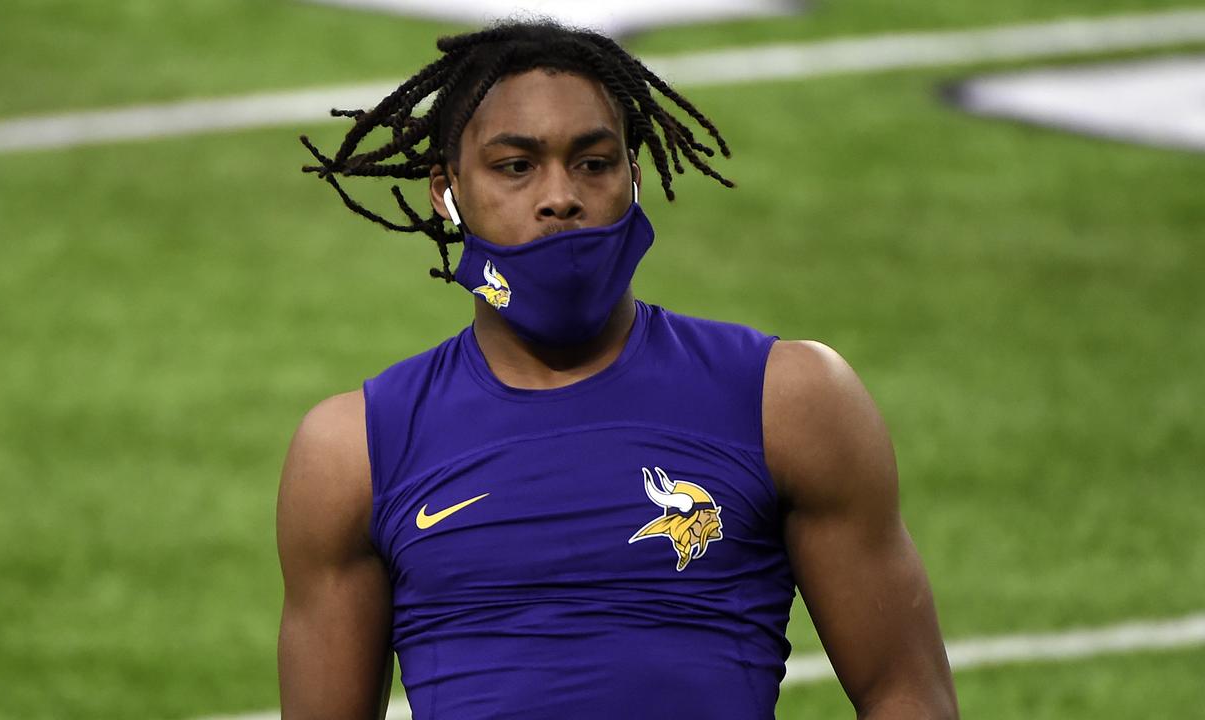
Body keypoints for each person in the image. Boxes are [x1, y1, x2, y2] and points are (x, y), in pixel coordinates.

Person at [277, 19, 958, 720]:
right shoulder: (354, 452)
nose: (559, 197)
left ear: (634, 176)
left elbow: (904, 694)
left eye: (593, 163)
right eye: (516, 166)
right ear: (447, 193)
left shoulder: (787, 400)